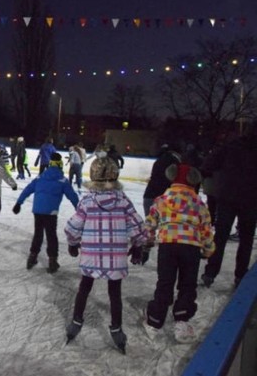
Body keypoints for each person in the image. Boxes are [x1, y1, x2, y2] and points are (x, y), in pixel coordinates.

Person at [64, 157, 146, 354]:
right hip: (115, 259)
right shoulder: (123, 201)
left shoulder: (87, 201)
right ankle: (116, 328)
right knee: (114, 293)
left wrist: (73, 244)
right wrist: (138, 246)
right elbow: (138, 226)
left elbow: (73, 226)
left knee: (84, 288)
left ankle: (76, 320)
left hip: (91, 255)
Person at [142, 163, 214, 343]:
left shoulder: (162, 199)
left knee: (165, 282)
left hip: (168, 246)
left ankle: (155, 321)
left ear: (172, 178)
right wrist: (208, 249)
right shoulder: (198, 202)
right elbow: (206, 229)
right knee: (188, 284)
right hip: (191, 248)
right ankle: (181, 319)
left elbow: (150, 224)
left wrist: (148, 241)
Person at [200, 123, 257, 289]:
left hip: (227, 198)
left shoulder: (231, 146)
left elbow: (207, 165)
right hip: (251, 201)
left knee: (221, 237)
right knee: (246, 239)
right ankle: (240, 275)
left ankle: (210, 273)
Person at [13, 152, 79, 273]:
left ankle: (32, 257)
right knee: (51, 236)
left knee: (38, 234)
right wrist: (79, 209)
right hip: (50, 212)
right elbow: (72, 196)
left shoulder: (40, 177)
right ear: (60, 165)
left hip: (38, 210)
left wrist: (19, 203)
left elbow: (27, 189)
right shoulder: (62, 180)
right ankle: (52, 261)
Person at [142, 144, 181, 216]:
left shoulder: (158, 161)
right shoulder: (175, 161)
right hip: (166, 197)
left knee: (150, 223)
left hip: (150, 195)